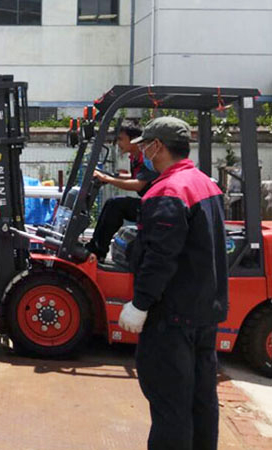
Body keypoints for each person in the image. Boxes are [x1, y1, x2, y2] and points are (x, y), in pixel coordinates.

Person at [118, 116, 228, 450]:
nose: (143, 154)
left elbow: (159, 258)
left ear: (158, 146)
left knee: (170, 405)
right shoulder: (206, 184)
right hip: (204, 312)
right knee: (201, 400)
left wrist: (140, 303)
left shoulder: (167, 192)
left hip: (172, 318)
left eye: (145, 147)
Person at [85, 122, 158, 262]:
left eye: (120, 139)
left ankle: (98, 251)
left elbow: (138, 184)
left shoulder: (146, 158)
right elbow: (136, 177)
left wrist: (108, 178)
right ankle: (95, 246)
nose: (118, 143)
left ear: (134, 140)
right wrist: (110, 176)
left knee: (115, 205)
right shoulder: (135, 157)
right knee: (113, 205)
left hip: (155, 206)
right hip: (148, 203)